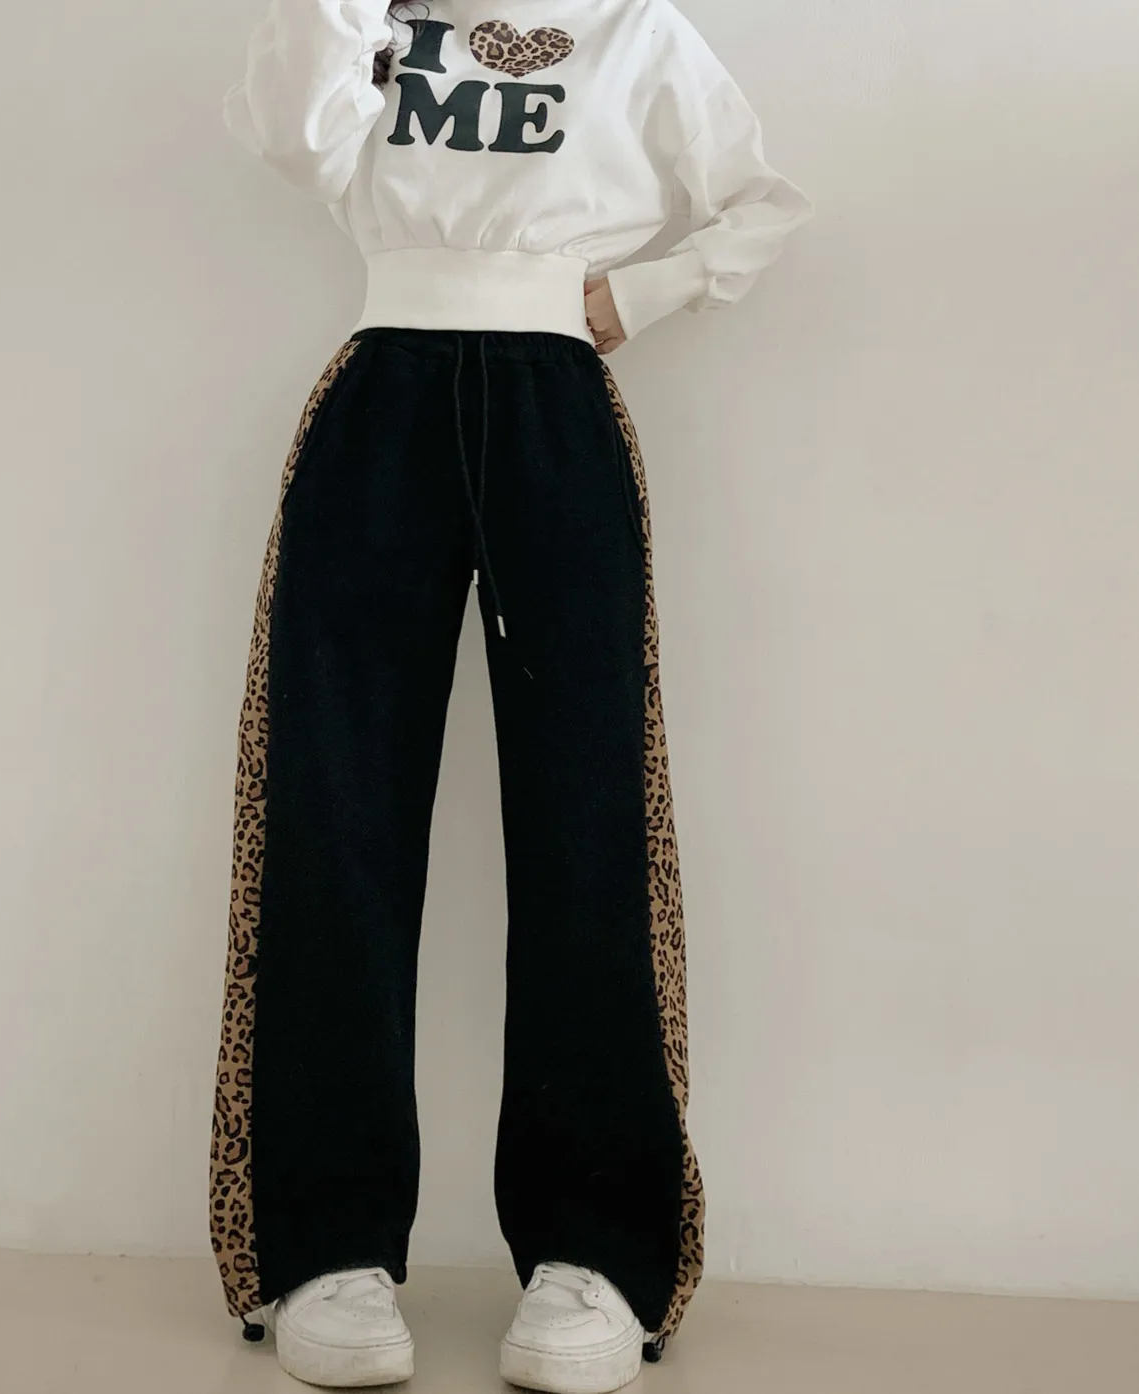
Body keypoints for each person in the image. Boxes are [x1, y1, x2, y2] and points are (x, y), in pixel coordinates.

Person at [210, 2, 810, 1390]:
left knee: (587, 818)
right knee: (333, 809)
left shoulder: (630, 26)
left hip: (558, 402)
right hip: (380, 394)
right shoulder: (369, 19)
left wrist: (641, 294)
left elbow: (763, 201)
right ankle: (326, 1244)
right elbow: (290, 133)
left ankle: (594, 1252)